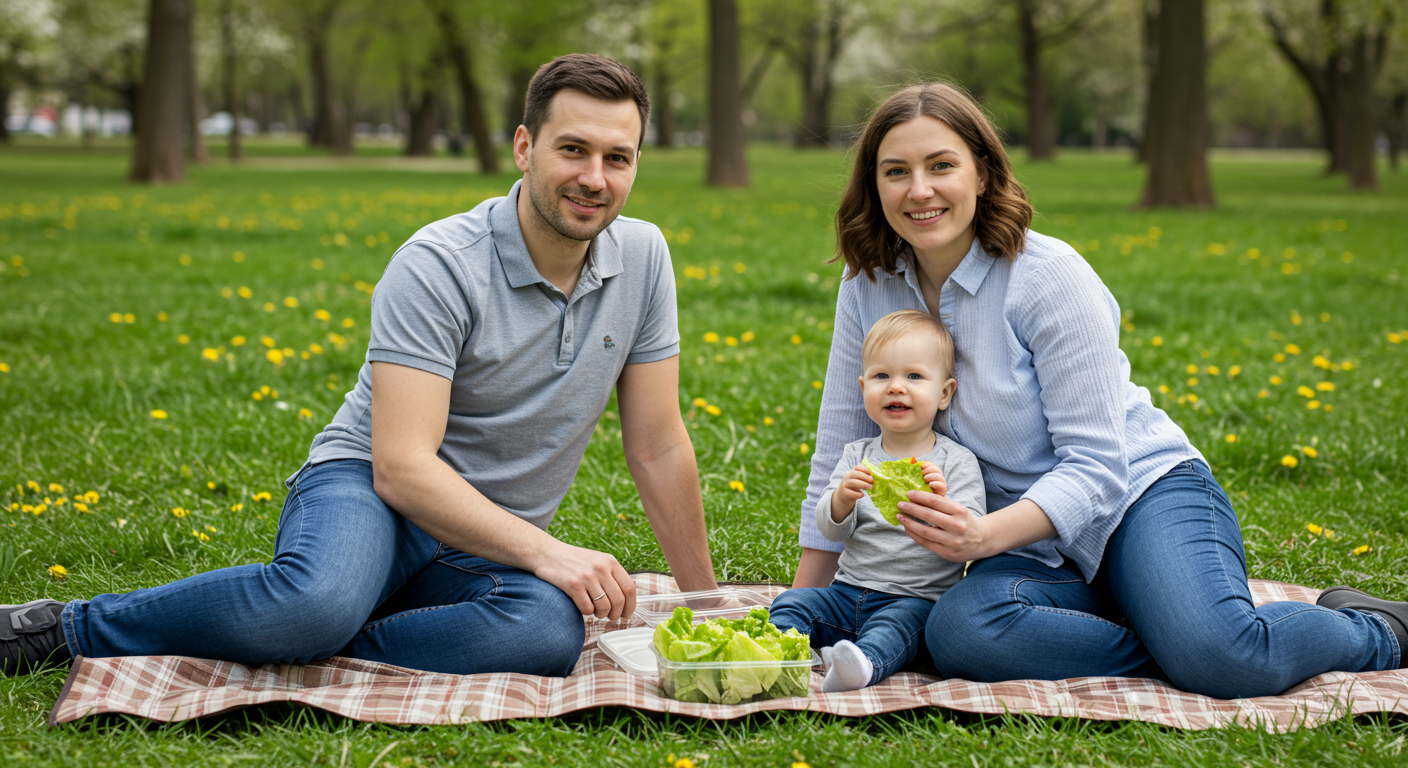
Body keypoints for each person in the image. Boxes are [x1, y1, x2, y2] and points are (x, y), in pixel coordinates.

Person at [2, 53, 718, 678]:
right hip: (371, 491)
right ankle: (66, 627)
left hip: (485, 541)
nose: (594, 178)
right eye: (573, 150)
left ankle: (318, 643)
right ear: (525, 147)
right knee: (314, 601)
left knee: (545, 632)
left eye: (617, 158)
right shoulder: (440, 263)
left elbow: (657, 444)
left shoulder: (644, 257)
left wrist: (706, 609)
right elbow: (401, 467)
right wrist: (547, 552)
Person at [792, 82, 1408, 699]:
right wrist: (793, 633)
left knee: (1225, 660)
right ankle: (1164, 633)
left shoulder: (1047, 276)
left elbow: (1096, 464)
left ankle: (1378, 628)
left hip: (1137, 498)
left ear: (981, 173)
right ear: (874, 184)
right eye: (896, 171)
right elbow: (840, 444)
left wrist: (983, 537)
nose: (919, 190)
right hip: (1033, 547)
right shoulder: (867, 285)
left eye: (941, 166)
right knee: (960, 631)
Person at [769, 309, 985, 692]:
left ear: (944, 393)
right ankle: (780, 654)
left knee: (894, 628)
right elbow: (830, 529)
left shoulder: (955, 462)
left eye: (914, 376)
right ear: (863, 385)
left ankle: (861, 665)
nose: (896, 387)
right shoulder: (857, 455)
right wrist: (841, 499)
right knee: (792, 603)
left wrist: (939, 503)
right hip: (845, 592)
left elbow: (969, 534)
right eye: (881, 376)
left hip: (914, 599)